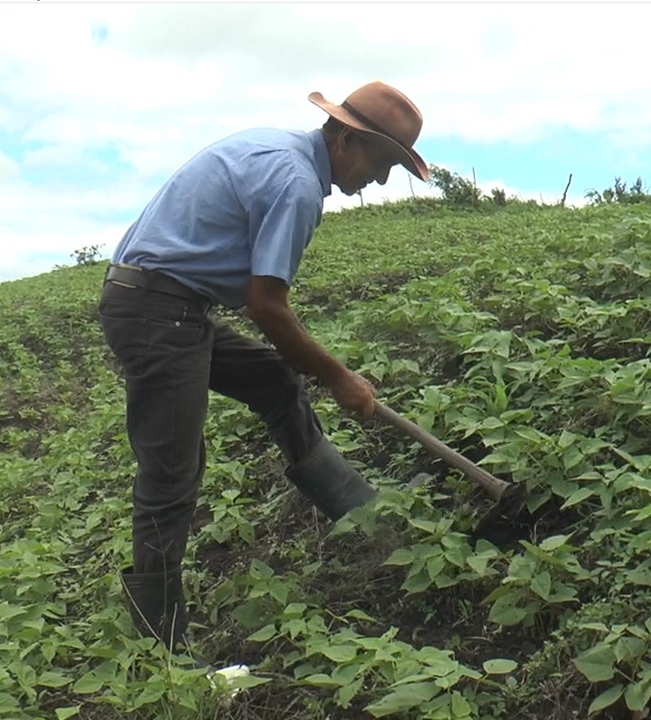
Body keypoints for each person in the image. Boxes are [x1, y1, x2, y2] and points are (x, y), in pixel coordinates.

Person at [98, 81, 430, 651]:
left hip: (170, 305)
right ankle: (161, 647)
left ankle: (365, 520)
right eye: (380, 164)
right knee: (172, 469)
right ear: (347, 140)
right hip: (158, 311)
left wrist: (320, 373)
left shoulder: (274, 148)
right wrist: (339, 377)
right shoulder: (297, 183)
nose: (376, 182)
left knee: (275, 381)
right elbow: (267, 308)